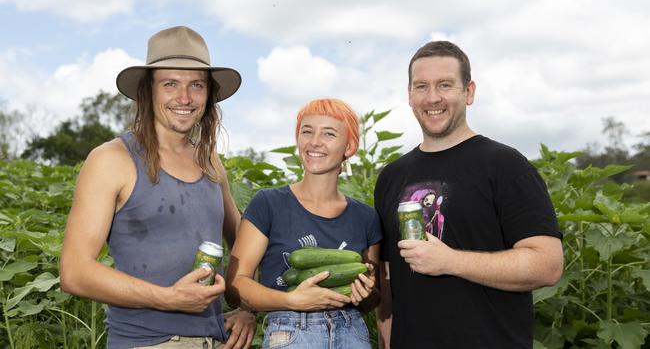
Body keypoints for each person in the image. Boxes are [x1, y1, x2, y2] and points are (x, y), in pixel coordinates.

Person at [60, 26, 256, 349]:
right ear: (148, 90)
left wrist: (247, 307)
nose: (184, 98)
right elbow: (74, 271)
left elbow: (244, 244)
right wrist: (168, 298)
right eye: (170, 84)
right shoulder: (112, 160)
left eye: (196, 85)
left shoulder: (210, 162)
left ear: (208, 94)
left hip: (214, 341)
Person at [374, 41, 564, 348]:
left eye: (445, 85)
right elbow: (388, 278)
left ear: (469, 92)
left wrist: (450, 261)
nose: (432, 97)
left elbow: (548, 265)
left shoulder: (505, 165)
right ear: (409, 94)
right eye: (421, 86)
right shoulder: (391, 177)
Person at [225, 98, 382, 348]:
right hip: (290, 332)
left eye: (329, 133)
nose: (314, 142)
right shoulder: (268, 203)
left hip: (352, 332)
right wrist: (291, 300)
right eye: (306, 132)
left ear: (349, 146)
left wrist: (366, 291)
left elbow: (372, 301)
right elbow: (236, 285)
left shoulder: (366, 217)